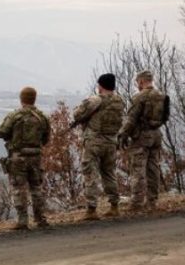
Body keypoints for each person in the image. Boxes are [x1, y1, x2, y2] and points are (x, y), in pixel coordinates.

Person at [0, 86, 51, 230]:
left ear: (21, 99)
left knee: (19, 188)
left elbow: (1, 132)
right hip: (36, 157)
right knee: (36, 188)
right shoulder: (42, 117)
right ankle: (40, 218)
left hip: (18, 157)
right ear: (34, 98)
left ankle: (22, 220)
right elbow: (46, 139)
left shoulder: (15, 116)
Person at [72, 73, 124, 220]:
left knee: (90, 174)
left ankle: (91, 209)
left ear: (100, 86)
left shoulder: (95, 100)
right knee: (109, 173)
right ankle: (114, 206)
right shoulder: (119, 101)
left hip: (94, 142)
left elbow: (77, 114)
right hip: (111, 142)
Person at [119, 70, 168, 211]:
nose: (137, 85)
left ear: (141, 81)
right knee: (154, 169)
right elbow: (165, 116)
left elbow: (131, 119)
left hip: (141, 136)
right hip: (156, 135)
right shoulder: (161, 96)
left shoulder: (139, 97)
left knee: (138, 169)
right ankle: (152, 201)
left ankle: (137, 202)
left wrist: (123, 134)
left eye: (137, 82)